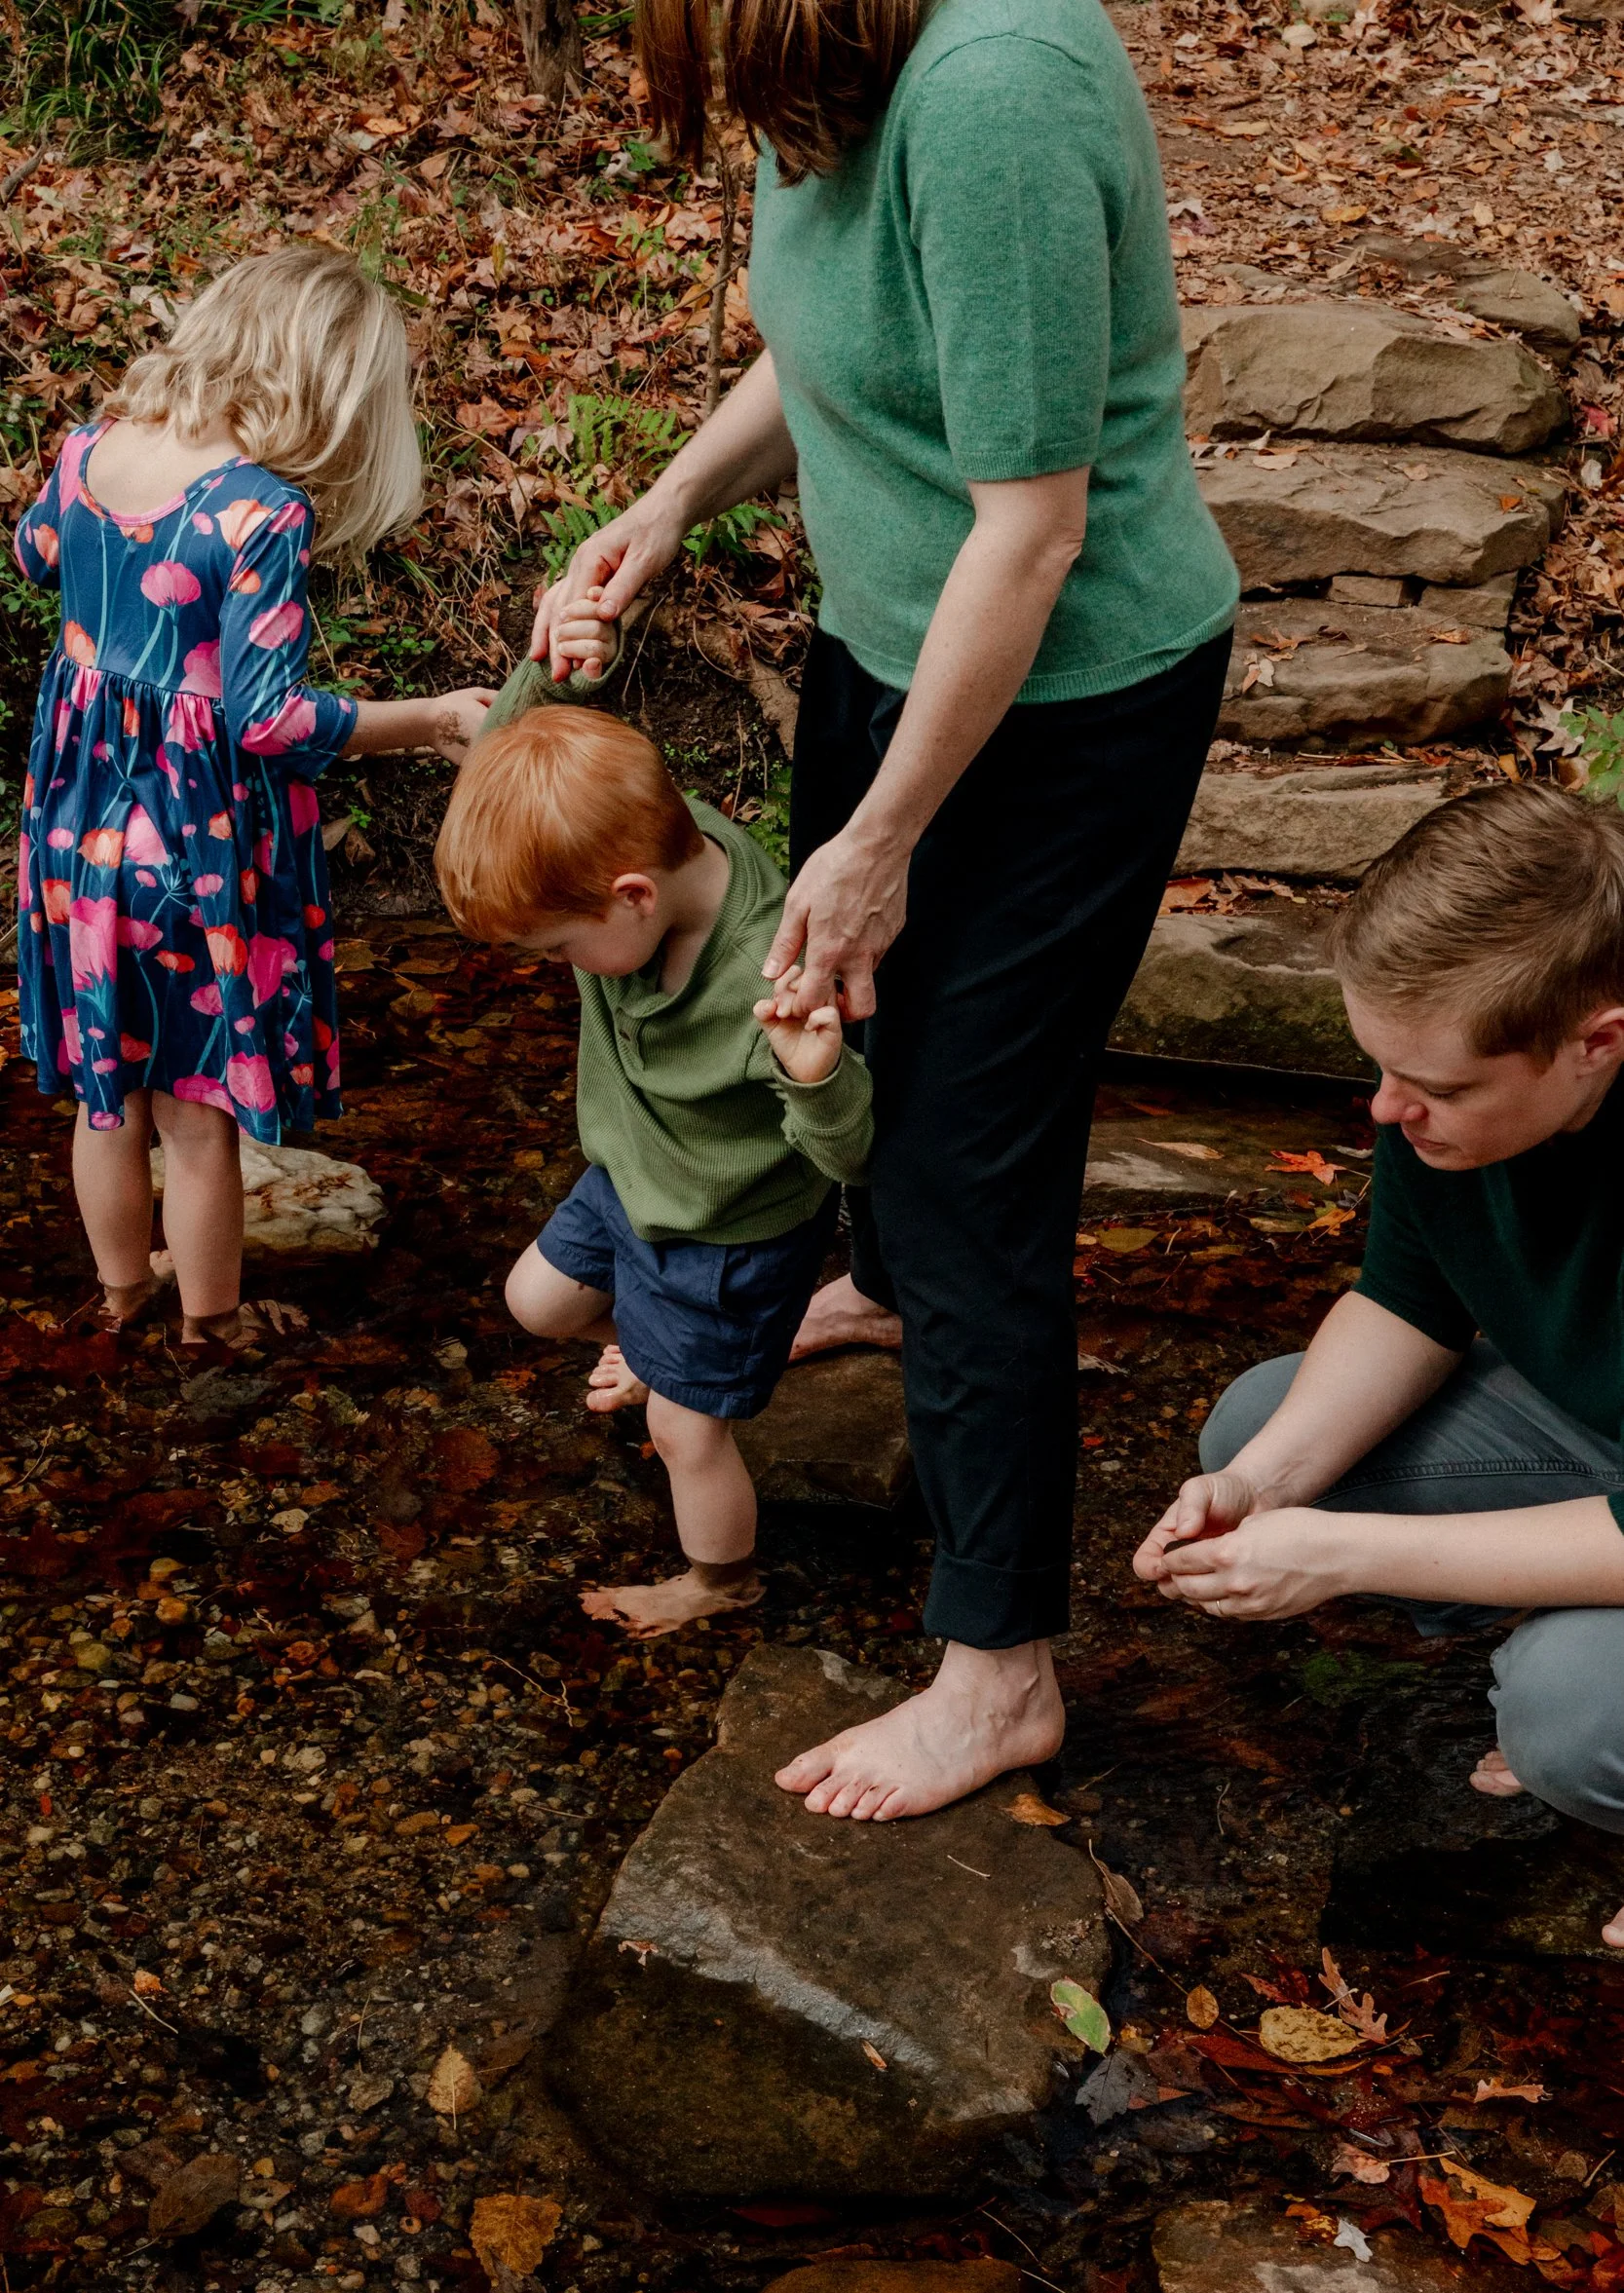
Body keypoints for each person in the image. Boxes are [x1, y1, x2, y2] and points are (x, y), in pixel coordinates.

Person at [528, 0, 1239, 1819]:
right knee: (842, 1024)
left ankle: (997, 1668)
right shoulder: (835, 60)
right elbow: (832, 345)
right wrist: (676, 499)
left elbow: (1037, 527)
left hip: (1059, 697)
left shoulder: (991, 88)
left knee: (963, 1160)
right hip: (887, 645)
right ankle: (876, 1286)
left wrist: (884, 836)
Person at [1135, 782, 1624, 1947]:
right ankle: (1560, 1612)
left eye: (1438, 1087)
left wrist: (1340, 1554)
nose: (1384, 1107)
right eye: (1377, 1065)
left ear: (1593, 1040)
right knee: (1258, 1427)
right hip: (1593, 1429)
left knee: (1568, 1718)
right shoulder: (1429, 1098)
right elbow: (1407, 1302)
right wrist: (1263, 1490)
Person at [14, 247, 494, 1354]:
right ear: (320, 381)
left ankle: (123, 1295)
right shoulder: (259, 513)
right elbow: (266, 720)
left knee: (106, 1096)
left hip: (77, 838)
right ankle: (212, 1325)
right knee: (196, 1113)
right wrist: (428, 718)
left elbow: (36, 554)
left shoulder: (90, 449)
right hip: (191, 852)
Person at [434, 700, 873, 1637]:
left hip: (726, 1233)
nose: (557, 968)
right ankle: (650, 1349)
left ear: (632, 895)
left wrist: (818, 1075)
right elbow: (520, 745)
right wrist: (555, 654)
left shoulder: (769, 981)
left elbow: (851, 1158)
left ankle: (722, 1578)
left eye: (555, 949)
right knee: (536, 1303)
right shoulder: (654, 829)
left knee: (682, 1431)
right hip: (634, 1178)